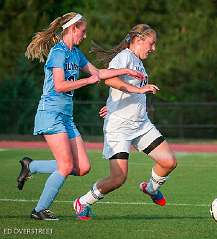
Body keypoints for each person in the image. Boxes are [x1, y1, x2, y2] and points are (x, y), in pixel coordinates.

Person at [17, 12, 144, 220]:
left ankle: (31, 166)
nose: (84, 36)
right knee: (65, 166)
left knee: (82, 167)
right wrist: (86, 81)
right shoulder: (58, 52)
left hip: (66, 117)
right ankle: (39, 210)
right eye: (82, 32)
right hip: (50, 114)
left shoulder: (75, 53)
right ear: (73, 29)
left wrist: (126, 71)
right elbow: (59, 86)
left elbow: (98, 73)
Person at [73, 24, 177, 220]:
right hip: (119, 128)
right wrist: (139, 90)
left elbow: (120, 91)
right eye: (151, 43)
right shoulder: (125, 57)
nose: (153, 49)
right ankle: (83, 202)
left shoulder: (138, 62)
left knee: (169, 162)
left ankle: (151, 188)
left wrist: (111, 104)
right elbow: (109, 81)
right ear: (138, 40)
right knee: (118, 179)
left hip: (141, 125)